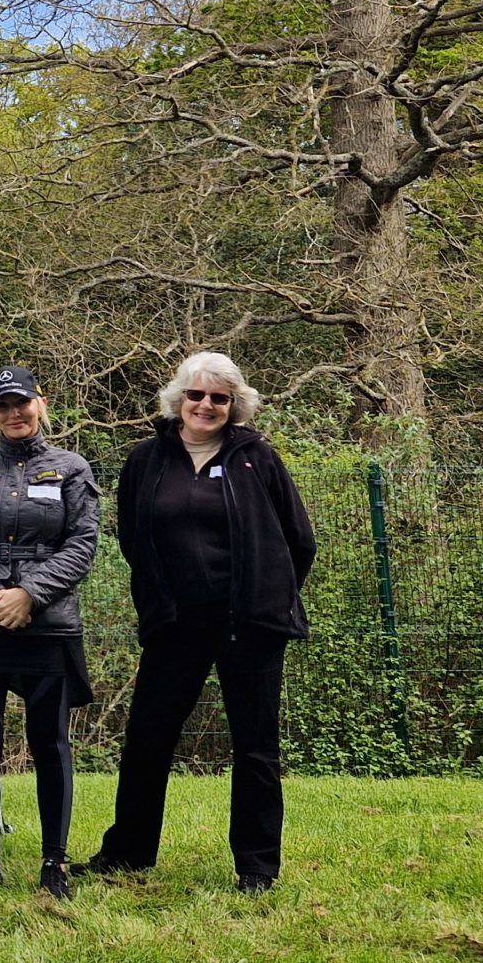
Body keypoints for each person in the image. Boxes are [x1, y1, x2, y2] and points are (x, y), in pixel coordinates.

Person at [85, 350, 317, 893]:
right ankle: (128, 853)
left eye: (219, 397)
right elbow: (132, 539)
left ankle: (257, 867)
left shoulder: (257, 457)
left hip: (250, 627)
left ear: (234, 405)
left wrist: (268, 597)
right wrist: (159, 596)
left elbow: (298, 539)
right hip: (174, 624)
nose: (205, 405)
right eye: (196, 395)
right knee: (147, 738)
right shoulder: (147, 459)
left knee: (255, 746)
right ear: (178, 399)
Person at [0, 364, 100, 902]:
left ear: (40, 403)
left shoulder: (71, 469)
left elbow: (81, 544)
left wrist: (29, 594)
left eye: (21, 403)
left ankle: (55, 862)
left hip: (46, 626)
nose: (14, 414)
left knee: (48, 744)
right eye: (3, 406)